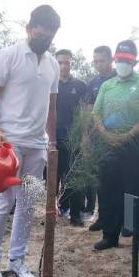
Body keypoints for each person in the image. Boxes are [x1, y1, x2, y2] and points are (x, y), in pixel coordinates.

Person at [0, 5, 60, 277]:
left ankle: (17, 260)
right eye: (40, 35)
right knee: (3, 203)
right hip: (10, 144)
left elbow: (51, 107)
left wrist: (51, 142)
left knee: (27, 204)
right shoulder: (8, 55)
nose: (44, 41)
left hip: (37, 145)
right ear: (29, 29)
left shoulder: (52, 64)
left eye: (50, 37)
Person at [92, 40, 139, 252]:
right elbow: (96, 113)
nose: (122, 63)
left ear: (135, 61)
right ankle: (110, 235)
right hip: (109, 142)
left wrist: (129, 134)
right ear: (115, 60)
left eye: (127, 60)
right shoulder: (107, 85)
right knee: (110, 189)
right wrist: (104, 133)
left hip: (137, 142)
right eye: (119, 59)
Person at [85, 45, 116, 231]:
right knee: (101, 181)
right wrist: (86, 135)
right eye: (95, 61)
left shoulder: (119, 78)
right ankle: (103, 217)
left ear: (111, 60)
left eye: (102, 60)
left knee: (118, 180)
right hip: (98, 137)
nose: (98, 64)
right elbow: (88, 111)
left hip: (119, 134)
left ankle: (120, 221)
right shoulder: (93, 83)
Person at [55, 49, 87, 226]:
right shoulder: (49, 84)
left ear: (71, 63)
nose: (63, 66)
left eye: (66, 62)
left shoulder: (81, 85)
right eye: (60, 62)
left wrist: (83, 137)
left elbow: (85, 114)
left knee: (74, 177)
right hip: (52, 138)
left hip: (73, 140)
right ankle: (52, 212)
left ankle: (76, 215)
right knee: (52, 179)